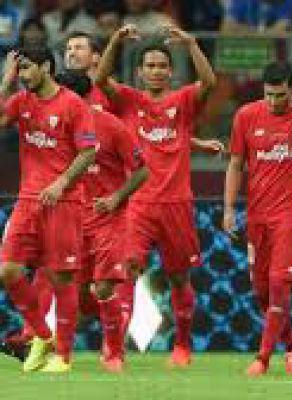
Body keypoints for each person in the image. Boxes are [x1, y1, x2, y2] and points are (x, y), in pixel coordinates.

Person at [95, 23, 220, 366]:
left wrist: (191, 43)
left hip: (177, 203)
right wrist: (115, 41)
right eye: (150, 66)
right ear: (139, 72)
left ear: (171, 71)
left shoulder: (183, 101)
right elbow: (101, 80)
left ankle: (182, 347)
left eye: (162, 66)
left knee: (179, 277)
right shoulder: (129, 101)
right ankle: (115, 351)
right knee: (128, 271)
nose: (156, 71)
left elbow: (209, 82)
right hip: (138, 202)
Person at [0, 46, 97, 372]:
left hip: (64, 201)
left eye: (27, 68)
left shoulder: (73, 104)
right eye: (19, 69)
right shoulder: (21, 101)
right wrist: (6, 81)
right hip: (28, 200)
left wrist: (61, 183)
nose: (23, 75)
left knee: (61, 278)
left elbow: (88, 152)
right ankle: (43, 336)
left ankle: (63, 356)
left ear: (46, 66)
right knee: (8, 271)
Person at [224, 61, 292, 376]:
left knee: (280, 284)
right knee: (262, 292)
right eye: (269, 95)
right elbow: (235, 164)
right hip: (258, 216)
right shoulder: (246, 116)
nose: (274, 101)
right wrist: (229, 209)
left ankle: (262, 358)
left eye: (280, 95)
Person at [55, 69, 148, 372]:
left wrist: (117, 197)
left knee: (105, 287)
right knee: (80, 294)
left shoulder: (111, 125)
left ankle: (114, 354)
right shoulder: (55, 128)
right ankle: (61, 353)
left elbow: (142, 170)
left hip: (107, 217)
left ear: (80, 97)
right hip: (71, 217)